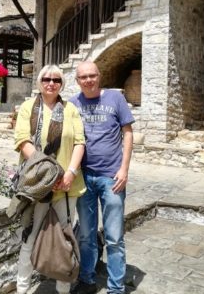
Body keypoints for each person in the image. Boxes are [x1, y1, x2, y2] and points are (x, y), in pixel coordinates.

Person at [14, 64, 86, 294]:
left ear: (62, 83)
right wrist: (48, 173)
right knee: (30, 238)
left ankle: (62, 290)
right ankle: (23, 289)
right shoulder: (27, 108)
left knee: (63, 241)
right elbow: (23, 141)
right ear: (39, 82)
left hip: (65, 187)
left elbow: (79, 142)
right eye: (47, 79)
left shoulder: (70, 109)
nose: (51, 83)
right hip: (37, 186)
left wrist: (69, 173)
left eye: (56, 79)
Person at [69, 61, 134, 294]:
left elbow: (127, 133)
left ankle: (116, 288)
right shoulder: (72, 104)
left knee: (114, 236)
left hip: (111, 177)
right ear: (77, 81)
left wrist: (124, 169)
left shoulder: (115, 98)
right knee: (86, 234)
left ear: (99, 76)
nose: (88, 80)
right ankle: (87, 279)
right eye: (83, 77)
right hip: (84, 178)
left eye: (92, 75)